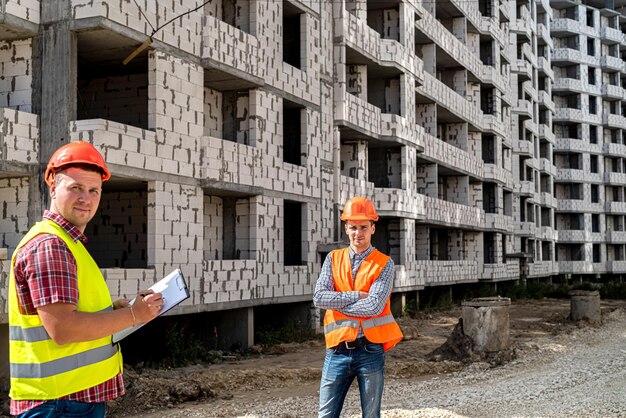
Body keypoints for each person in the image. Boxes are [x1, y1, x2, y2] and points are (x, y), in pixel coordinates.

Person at [8, 141, 163, 418]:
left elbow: (71, 314)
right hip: (59, 404)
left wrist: (113, 310)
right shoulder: (51, 246)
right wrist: (133, 315)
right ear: (53, 187)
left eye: (94, 190)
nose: (86, 198)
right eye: (76, 188)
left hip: (69, 400)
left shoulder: (68, 242)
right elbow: (64, 329)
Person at [313, 196, 404, 418]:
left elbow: (373, 306)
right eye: (353, 227)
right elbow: (319, 298)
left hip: (370, 350)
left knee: (371, 415)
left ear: (373, 228)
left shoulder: (384, 263)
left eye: (364, 227)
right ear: (346, 228)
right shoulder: (333, 259)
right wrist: (356, 296)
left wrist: (337, 303)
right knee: (325, 415)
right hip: (337, 350)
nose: (358, 233)